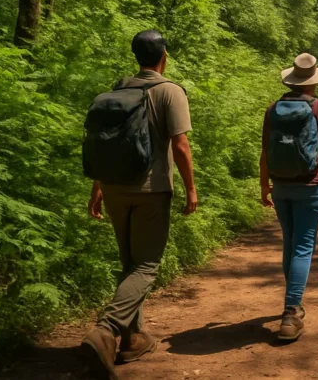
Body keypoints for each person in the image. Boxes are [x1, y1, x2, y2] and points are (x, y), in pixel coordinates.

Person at [82, 30, 197, 380]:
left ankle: (133, 339)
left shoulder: (117, 91)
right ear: (164, 56)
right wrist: (191, 189)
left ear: (136, 56)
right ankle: (106, 330)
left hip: (114, 188)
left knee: (130, 264)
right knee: (146, 266)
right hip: (151, 190)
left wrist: (97, 186)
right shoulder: (170, 91)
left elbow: (103, 142)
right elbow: (180, 146)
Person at [261, 53, 318, 341]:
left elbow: (265, 152)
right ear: (314, 81)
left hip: (281, 185)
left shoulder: (273, 109)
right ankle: (291, 311)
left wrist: (264, 185)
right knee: (303, 246)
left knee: (290, 242)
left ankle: (293, 301)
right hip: (313, 185)